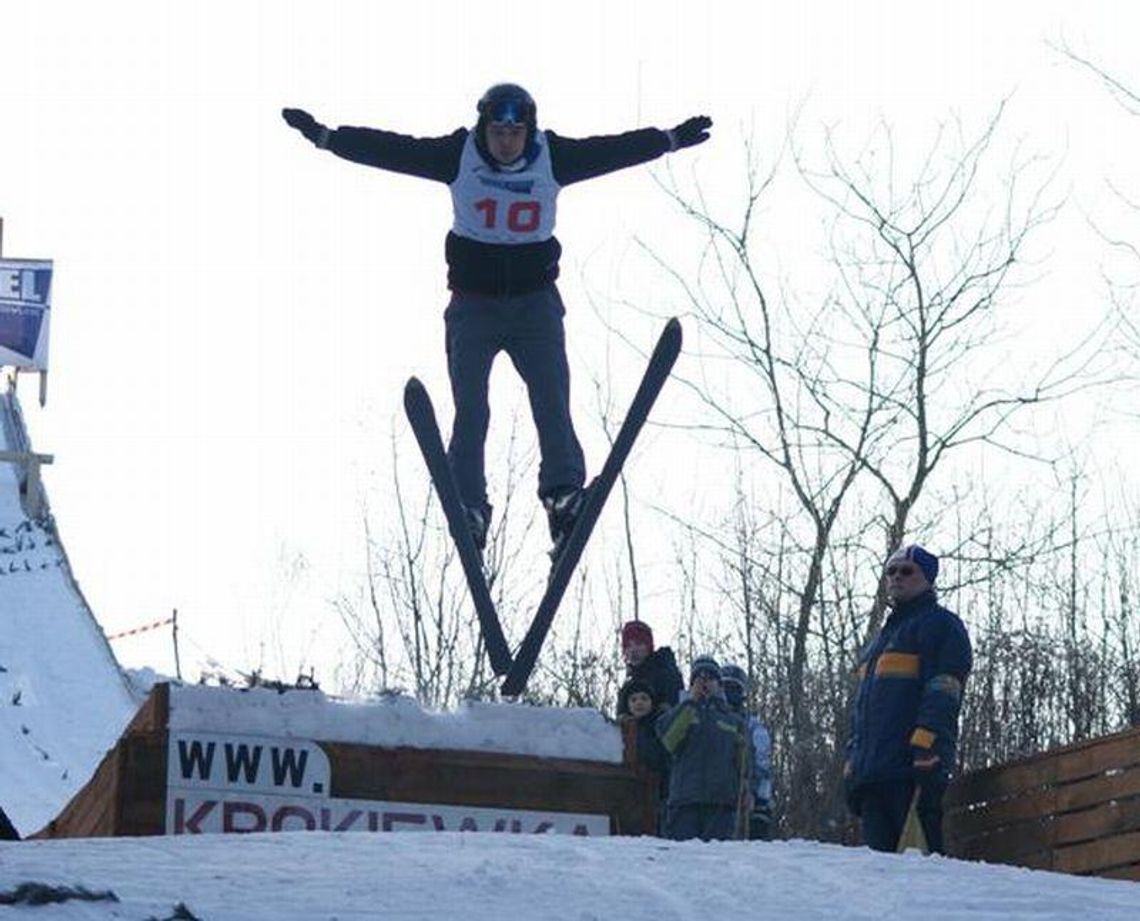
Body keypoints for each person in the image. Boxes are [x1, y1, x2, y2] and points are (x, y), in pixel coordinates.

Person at [282, 86, 712, 560]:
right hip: (474, 307)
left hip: (535, 308)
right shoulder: (458, 155)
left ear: (527, 131)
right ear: (483, 129)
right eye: (497, 132)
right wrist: (328, 137)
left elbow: (612, 150)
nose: (506, 142)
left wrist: (668, 139)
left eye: (514, 132)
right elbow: (394, 150)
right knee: (472, 411)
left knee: (552, 401)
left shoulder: (554, 157)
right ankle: (469, 505)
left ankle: (563, 496)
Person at [844, 544, 972, 854]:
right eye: (891, 571)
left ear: (927, 578)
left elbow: (944, 689)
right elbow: (863, 710)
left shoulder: (941, 626)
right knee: (879, 878)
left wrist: (926, 743)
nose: (897, 577)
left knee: (919, 871)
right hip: (873, 774)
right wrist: (852, 763)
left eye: (907, 571)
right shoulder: (879, 641)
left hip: (913, 770)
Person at [656, 655, 752, 842]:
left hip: (721, 804)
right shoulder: (680, 712)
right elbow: (669, 742)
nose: (705, 683)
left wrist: (747, 789)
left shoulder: (733, 720)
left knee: (718, 863)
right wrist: (690, 703)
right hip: (685, 802)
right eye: (699, 678)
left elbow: (745, 762)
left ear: (719, 684)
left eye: (710, 678)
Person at [721, 663, 773, 840]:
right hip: (718, 797)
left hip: (747, 798)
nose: (729, 693)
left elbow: (762, 764)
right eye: (725, 687)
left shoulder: (753, 727)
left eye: (734, 688)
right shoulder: (711, 720)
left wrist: (759, 799)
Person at [617, 677, 670, 834]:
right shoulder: (621, 729)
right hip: (630, 790)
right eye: (633, 700)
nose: (639, 703)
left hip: (656, 789)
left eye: (644, 698)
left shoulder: (659, 726)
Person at [619, 619, 683, 711]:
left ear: (648, 647)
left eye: (638, 644)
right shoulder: (628, 686)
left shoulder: (665, 674)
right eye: (628, 646)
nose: (633, 650)